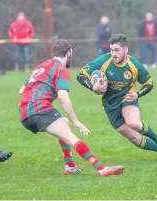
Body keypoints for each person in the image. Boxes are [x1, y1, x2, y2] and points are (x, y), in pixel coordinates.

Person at [19, 39, 124, 177]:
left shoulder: (42, 66)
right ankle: (101, 169)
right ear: (69, 53)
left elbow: (22, 90)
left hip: (24, 113)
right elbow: (63, 97)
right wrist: (76, 121)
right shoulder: (61, 69)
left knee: (63, 124)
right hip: (39, 110)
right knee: (70, 136)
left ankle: (69, 166)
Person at [77, 34, 157, 160]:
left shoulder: (134, 65)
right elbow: (81, 75)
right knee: (134, 138)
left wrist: (137, 94)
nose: (114, 54)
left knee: (133, 123)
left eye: (117, 50)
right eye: (111, 50)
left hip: (127, 98)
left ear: (125, 49)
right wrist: (92, 87)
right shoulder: (104, 60)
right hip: (109, 105)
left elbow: (149, 83)